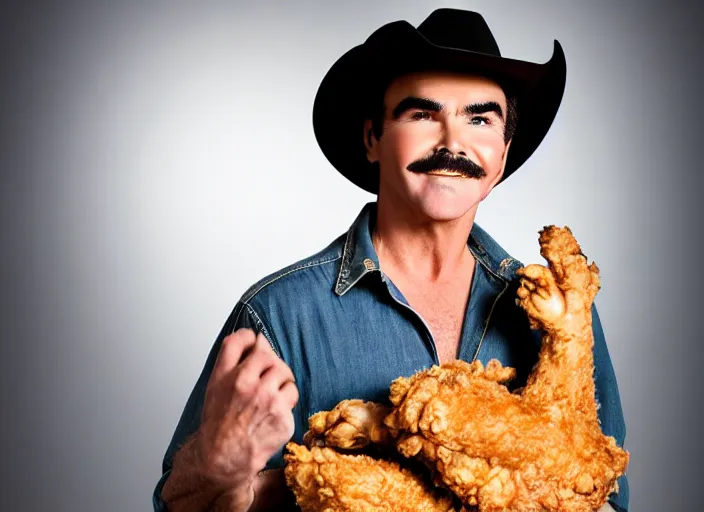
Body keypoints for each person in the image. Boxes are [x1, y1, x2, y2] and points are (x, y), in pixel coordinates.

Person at [153, 9, 628, 512]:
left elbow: (606, 496)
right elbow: (177, 505)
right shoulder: (280, 316)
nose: (452, 142)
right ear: (372, 139)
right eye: (422, 114)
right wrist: (217, 470)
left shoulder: (561, 317)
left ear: (503, 155)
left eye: (480, 118)